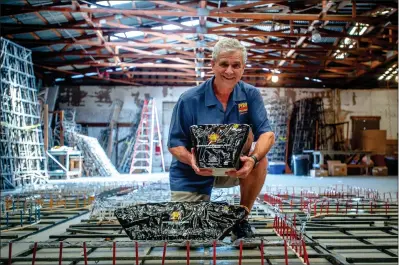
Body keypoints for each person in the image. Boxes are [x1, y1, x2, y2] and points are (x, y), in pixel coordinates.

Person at [167, 37, 275, 239]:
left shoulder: (250, 95)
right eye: (224, 64)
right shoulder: (189, 100)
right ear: (213, 65)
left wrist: (252, 159)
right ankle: (210, 215)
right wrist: (192, 160)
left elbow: (267, 134)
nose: (229, 71)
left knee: (260, 160)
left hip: (233, 167)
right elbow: (174, 144)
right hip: (192, 171)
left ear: (243, 68)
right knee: (186, 238)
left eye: (236, 65)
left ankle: (240, 219)